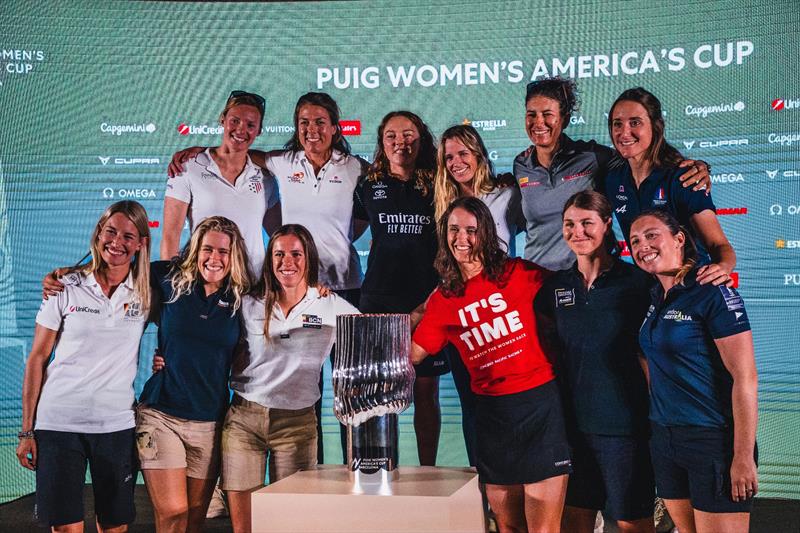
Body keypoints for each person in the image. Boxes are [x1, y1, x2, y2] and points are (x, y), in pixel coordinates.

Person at [168, 92, 368, 463]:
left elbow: (373, 206)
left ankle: (357, 473)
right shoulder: (279, 162)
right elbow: (235, 151)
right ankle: (314, 473)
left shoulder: (354, 166)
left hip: (344, 288)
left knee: (350, 388)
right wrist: (198, 150)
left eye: (320, 122)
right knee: (306, 391)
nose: (312, 130)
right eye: (304, 122)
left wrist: (338, 238)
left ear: (335, 127)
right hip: (292, 291)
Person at [412, 196, 571, 533]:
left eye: (471, 230)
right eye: (454, 230)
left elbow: (573, 294)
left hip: (540, 408)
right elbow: (411, 356)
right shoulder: (443, 300)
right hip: (492, 417)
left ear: (485, 232)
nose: (462, 238)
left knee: (544, 529)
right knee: (508, 527)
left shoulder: (521, 273)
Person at [17, 200, 151, 532]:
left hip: (115, 425)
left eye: (128, 236)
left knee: (115, 526)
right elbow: (37, 358)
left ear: (140, 243)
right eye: (110, 231)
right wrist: (27, 429)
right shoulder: (64, 286)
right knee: (65, 527)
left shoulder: (149, 291)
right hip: (59, 423)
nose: (117, 242)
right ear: (98, 233)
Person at [216, 224, 358, 533]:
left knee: (292, 524)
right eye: (279, 254)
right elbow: (214, 344)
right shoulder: (249, 302)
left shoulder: (328, 304)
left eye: (296, 254)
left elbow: (373, 333)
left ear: (309, 258)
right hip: (243, 421)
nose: (287, 262)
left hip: (297, 424)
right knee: (245, 528)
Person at [630, 210, 758, 533]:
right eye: (634, 241)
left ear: (679, 239)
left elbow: (745, 377)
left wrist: (742, 455)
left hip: (712, 441)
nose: (642, 245)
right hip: (666, 439)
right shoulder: (655, 296)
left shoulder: (711, 289)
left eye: (651, 235)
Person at [535, 191, 655, 533]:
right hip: (572, 429)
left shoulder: (638, 282)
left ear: (606, 224)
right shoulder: (556, 287)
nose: (578, 232)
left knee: (633, 523)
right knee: (575, 520)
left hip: (626, 429)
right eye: (569, 224)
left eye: (587, 223)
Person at [514, 77, 710, 272]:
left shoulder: (594, 157)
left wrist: (699, 167)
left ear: (564, 119)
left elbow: (639, 156)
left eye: (547, 114)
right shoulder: (521, 166)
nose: (538, 122)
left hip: (587, 278)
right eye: (531, 114)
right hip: (536, 278)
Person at [137, 216, 251, 533]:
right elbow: (114, 268)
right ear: (196, 249)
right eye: (208, 249)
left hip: (210, 422)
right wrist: (69, 275)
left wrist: (319, 290)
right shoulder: (168, 278)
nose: (214, 258)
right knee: (173, 511)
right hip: (161, 413)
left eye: (223, 252)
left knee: (195, 517)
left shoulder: (243, 297)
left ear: (234, 256)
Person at [353, 110, 450, 467]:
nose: (400, 142)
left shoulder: (438, 183)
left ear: (421, 139)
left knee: (426, 392)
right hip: (379, 301)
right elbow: (347, 232)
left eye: (408, 134)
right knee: (381, 394)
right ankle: (382, 469)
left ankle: (428, 469)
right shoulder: (368, 185)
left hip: (426, 300)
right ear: (382, 141)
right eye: (392, 135)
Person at [432, 124, 525, 466]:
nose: (456, 162)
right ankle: (482, 491)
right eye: (449, 157)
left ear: (479, 155)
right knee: (472, 406)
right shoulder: (444, 203)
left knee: (507, 402)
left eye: (463, 154)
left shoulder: (507, 193)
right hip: (461, 318)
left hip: (501, 316)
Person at [606, 87, 735, 286]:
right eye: (617, 124)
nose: (624, 132)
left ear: (655, 127)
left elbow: (718, 244)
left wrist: (723, 267)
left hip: (691, 287)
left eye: (635, 123)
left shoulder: (683, 176)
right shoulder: (613, 178)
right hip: (649, 291)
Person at [161, 90, 279, 278]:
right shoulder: (188, 166)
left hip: (252, 284)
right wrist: (170, 285)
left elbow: (279, 234)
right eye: (235, 121)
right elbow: (170, 236)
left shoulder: (266, 176)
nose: (241, 130)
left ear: (259, 130)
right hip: (204, 283)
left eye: (250, 125)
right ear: (223, 119)